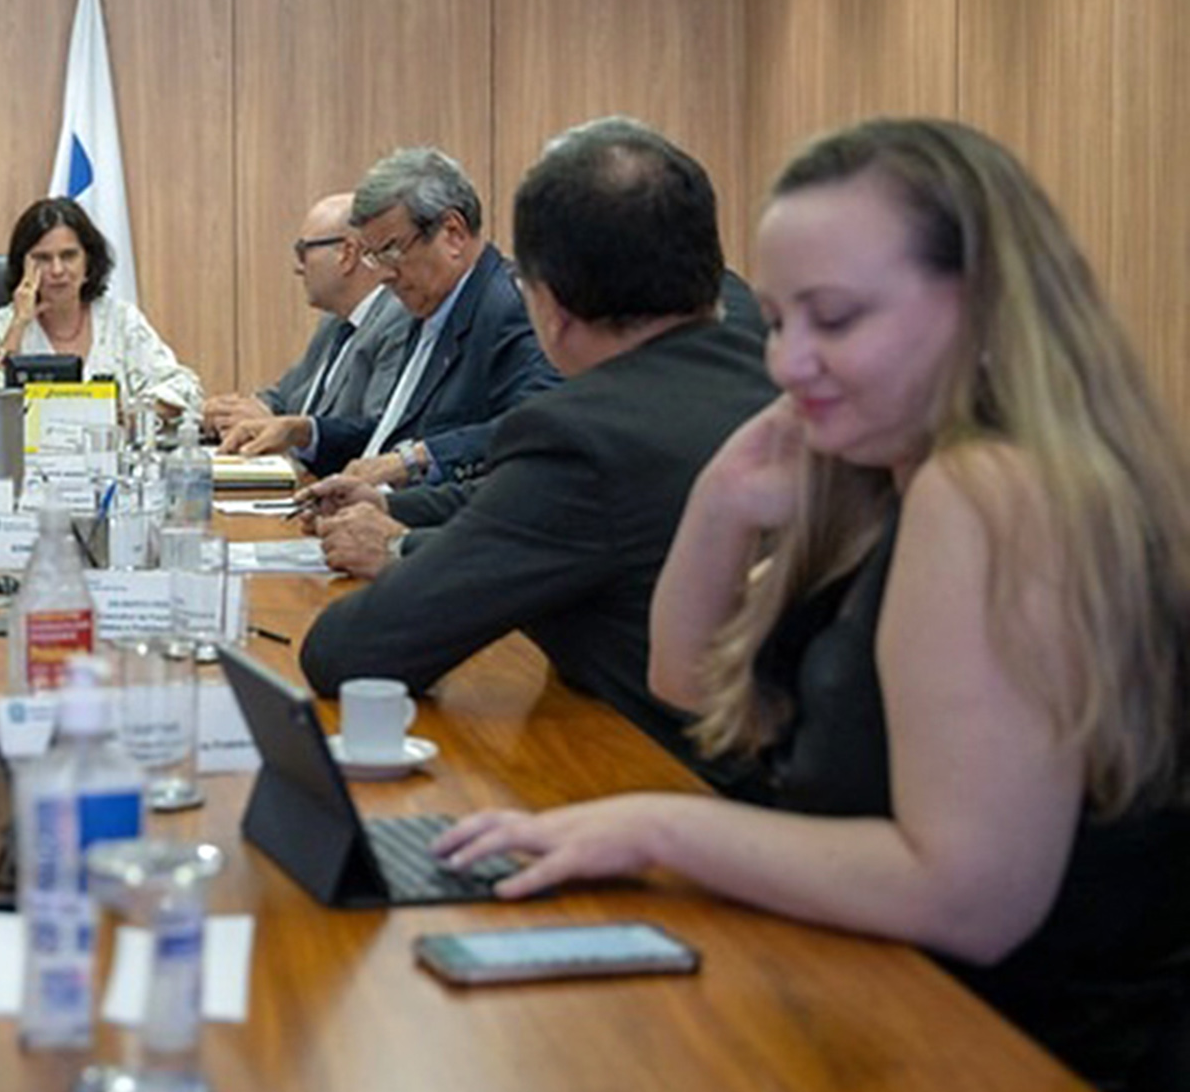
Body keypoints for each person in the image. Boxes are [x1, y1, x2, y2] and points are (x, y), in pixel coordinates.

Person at [438, 118, 1190, 1092]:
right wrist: (722, 504)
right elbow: (688, 683)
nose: (789, 361)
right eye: (780, 319)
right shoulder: (903, 473)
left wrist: (656, 828)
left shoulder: (987, 493)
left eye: (834, 319)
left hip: (1025, 1091)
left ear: (984, 306)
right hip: (915, 1022)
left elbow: (969, 895)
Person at [297, 119, 776, 790]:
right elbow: (526, 509)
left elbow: (348, 654)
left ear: (547, 302)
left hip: (676, 800)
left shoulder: (588, 435)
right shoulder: (769, 369)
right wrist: (397, 510)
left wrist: (406, 550)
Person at [222, 148, 555, 483]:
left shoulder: (512, 306)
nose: (383, 274)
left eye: (392, 251)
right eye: (374, 256)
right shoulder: (427, 307)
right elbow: (391, 436)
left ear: (453, 233)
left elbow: (538, 430)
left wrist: (415, 460)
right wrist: (305, 432)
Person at [0, 196, 201, 414]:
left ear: (88, 261)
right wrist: (18, 325)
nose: (57, 270)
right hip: (28, 459)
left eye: (68, 256)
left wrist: (127, 414)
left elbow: (185, 389)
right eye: (43, 259)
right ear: (23, 265)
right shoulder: (6, 323)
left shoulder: (119, 320)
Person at [202, 192, 408, 438]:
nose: (298, 268)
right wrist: (232, 412)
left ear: (348, 253)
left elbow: (375, 435)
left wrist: (285, 430)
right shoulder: (335, 323)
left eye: (303, 252)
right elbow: (284, 396)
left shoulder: (397, 321)